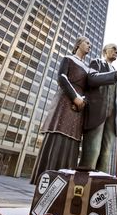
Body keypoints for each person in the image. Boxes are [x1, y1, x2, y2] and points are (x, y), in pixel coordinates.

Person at [30, 36, 91, 184]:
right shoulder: (67, 59)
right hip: (64, 101)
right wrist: (75, 97)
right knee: (59, 132)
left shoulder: (88, 69)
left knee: (73, 138)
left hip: (79, 107)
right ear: (78, 44)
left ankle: (65, 181)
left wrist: (83, 100)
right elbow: (62, 77)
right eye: (87, 42)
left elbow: (90, 88)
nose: (90, 45)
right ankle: (47, 179)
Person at [79, 43, 117, 172]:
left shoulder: (114, 68)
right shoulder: (97, 62)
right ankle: (84, 181)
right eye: (113, 49)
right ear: (104, 51)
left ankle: (99, 182)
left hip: (111, 114)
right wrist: (115, 75)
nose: (116, 51)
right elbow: (91, 78)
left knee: (106, 152)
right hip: (97, 111)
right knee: (93, 150)